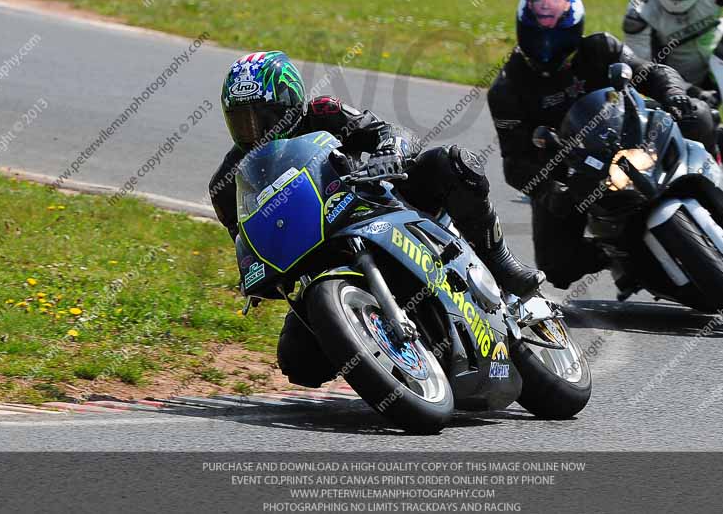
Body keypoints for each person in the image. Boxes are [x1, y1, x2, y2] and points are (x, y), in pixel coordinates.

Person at [210, 51, 544, 386]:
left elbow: (390, 130)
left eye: (265, 118)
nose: (255, 131)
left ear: (292, 101)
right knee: (298, 363)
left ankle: (502, 263)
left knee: (452, 163)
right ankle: (380, 354)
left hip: (377, 204)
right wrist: (255, 272)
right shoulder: (229, 180)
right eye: (242, 121)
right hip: (315, 252)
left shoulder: (324, 112)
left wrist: (391, 152)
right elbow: (245, 238)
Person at [488, 0, 714, 290]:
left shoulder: (601, 48)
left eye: (557, 37)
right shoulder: (506, 89)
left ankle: (715, 185)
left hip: (632, 133)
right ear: (521, 31)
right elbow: (514, 162)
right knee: (557, 266)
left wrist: (673, 93)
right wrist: (548, 189)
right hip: (570, 173)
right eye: (536, 36)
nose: (546, 47)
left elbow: (652, 72)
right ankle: (619, 255)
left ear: (575, 30)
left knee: (698, 114)